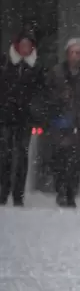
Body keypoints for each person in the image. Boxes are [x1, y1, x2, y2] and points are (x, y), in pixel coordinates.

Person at [45, 37, 80, 208]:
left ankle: (70, 193)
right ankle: (61, 191)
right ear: (67, 54)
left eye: (78, 53)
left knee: (75, 162)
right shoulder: (56, 74)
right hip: (59, 126)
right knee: (59, 161)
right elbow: (46, 98)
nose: (75, 56)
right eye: (72, 52)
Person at [0, 30, 44, 207]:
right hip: (5, 116)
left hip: (25, 118)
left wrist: (34, 111)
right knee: (5, 155)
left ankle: (18, 194)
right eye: (23, 44)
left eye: (28, 45)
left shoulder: (36, 68)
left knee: (21, 155)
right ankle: (3, 191)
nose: (25, 48)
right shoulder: (4, 63)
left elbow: (41, 93)